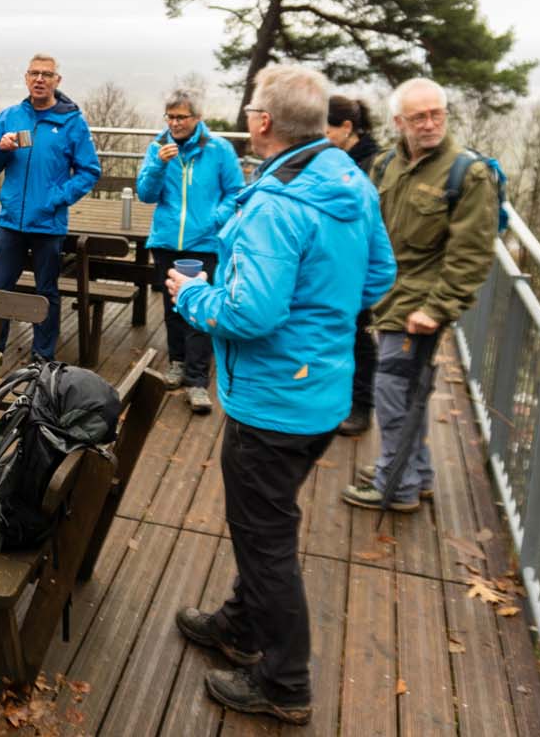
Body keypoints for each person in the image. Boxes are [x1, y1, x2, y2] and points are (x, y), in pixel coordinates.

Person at [165, 65, 395, 725]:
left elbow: (250, 313)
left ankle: (285, 682)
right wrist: (319, 319)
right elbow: (378, 276)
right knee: (265, 526)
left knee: (265, 541)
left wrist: (192, 296)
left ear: (263, 122)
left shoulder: (278, 204)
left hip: (272, 402)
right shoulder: (346, 178)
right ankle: (240, 626)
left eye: (250, 111)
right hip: (320, 391)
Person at [342, 78, 496, 513]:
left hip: (419, 306)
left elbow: (471, 254)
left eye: (436, 114)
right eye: (419, 117)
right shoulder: (387, 164)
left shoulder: (467, 174)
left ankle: (397, 485)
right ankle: (415, 473)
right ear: (399, 122)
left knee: (392, 392)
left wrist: (437, 308)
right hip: (387, 295)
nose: (429, 124)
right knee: (406, 392)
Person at [0, 54, 102, 361]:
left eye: (46, 74)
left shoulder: (72, 122)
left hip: (48, 224)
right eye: (34, 73)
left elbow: (89, 171)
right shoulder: (10, 117)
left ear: (56, 81)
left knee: (46, 292)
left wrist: (56, 198)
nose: (39, 79)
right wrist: (0, 149)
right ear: (26, 78)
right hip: (10, 221)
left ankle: (43, 358)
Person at [136, 89, 243, 413]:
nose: (175, 123)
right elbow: (145, 194)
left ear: (197, 118)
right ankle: (178, 363)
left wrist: (215, 219)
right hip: (166, 241)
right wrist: (158, 164)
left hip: (204, 244)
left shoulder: (218, 149)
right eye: (170, 117)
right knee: (173, 308)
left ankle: (197, 382)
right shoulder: (158, 147)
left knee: (200, 310)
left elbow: (236, 192)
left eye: (181, 117)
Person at [326, 94, 382, 436]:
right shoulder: (345, 158)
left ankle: (362, 407)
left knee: (359, 334)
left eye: (326, 130)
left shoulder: (370, 164)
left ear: (347, 127)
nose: (322, 137)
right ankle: (344, 399)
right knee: (345, 332)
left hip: (358, 261)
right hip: (342, 259)